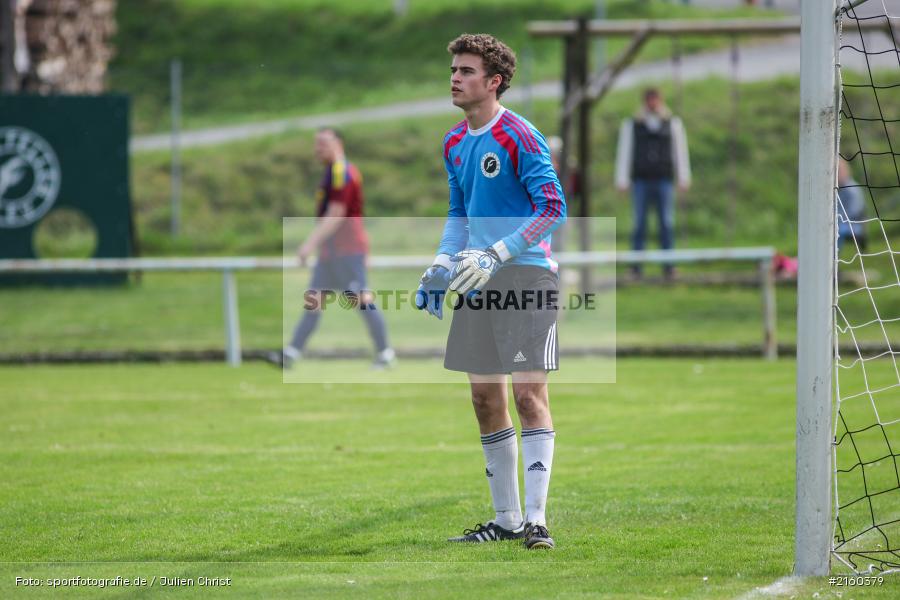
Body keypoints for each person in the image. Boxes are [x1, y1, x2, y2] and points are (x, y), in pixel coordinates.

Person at [415, 34, 566, 549]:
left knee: (528, 395)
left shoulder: (521, 136)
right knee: (484, 398)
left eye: (466, 70)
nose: (455, 78)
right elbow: (459, 211)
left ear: (494, 81)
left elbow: (552, 208)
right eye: (453, 69)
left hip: (525, 277)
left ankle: (538, 522)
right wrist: (440, 263)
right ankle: (505, 521)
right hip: (476, 280)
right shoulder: (454, 142)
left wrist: (497, 253)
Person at [269, 128, 395, 370]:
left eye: (323, 144)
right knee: (313, 300)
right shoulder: (331, 172)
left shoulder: (342, 172)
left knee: (362, 300)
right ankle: (291, 354)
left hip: (348, 252)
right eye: (316, 144)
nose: (318, 149)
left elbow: (336, 214)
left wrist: (309, 244)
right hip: (331, 253)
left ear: (339, 144)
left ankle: (385, 353)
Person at [615, 88, 691, 279]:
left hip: (663, 178)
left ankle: (669, 265)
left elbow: (679, 151)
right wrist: (622, 179)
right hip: (641, 179)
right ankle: (636, 267)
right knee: (639, 223)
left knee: (666, 222)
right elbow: (626, 151)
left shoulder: (672, 123)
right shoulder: (632, 124)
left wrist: (683, 177)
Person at [837, 158, 867, 252]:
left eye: (837, 172)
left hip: (854, 225)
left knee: (837, 230)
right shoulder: (841, 189)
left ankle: (834, 257)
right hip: (842, 221)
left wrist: (836, 217)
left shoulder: (852, 189)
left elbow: (853, 211)